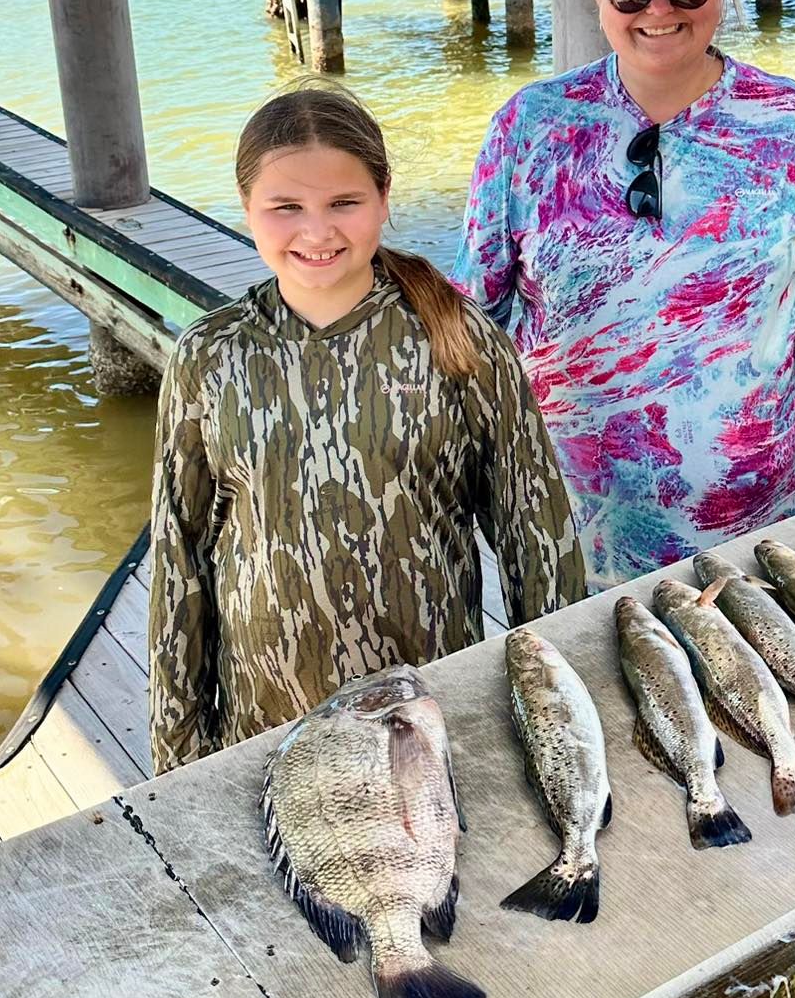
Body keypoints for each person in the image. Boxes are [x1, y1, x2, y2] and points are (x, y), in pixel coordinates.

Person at [454, 0, 795, 591]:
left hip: (749, 527)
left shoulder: (789, 124)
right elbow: (474, 316)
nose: (659, 8)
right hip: (567, 522)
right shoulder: (529, 126)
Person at [149, 86, 586, 775]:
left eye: (343, 204)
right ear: (246, 210)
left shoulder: (459, 337)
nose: (317, 232)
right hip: (265, 726)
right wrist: (177, 761)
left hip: (426, 721)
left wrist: (560, 732)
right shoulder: (209, 354)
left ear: (383, 196)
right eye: (285, 208)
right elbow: (181, 562)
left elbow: (540, 541)